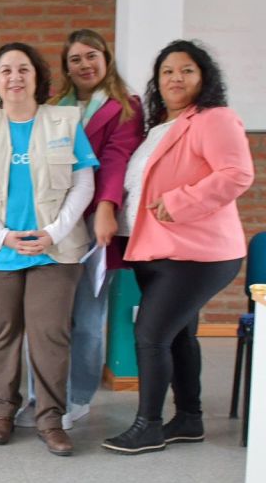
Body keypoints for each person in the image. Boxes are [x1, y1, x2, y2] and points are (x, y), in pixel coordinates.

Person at [102, 40, 253, 455]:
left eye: (187, 70)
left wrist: (178, 201)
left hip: (196, 253)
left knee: (150, 336)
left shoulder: (214, 119)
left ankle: (147, 425)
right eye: (167, 71)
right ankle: (189, 418)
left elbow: (237, 174)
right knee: (180, 336)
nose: (176, 78)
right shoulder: (160, 127)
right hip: (159, 252)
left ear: (203, 77)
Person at [0, 42, 99, 456]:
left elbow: (83, 183)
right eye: (5, 71)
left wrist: (54, 231)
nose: (15, 77)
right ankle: (2, 412)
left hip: (54, 251)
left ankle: (51, 418)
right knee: (2, 334)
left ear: (38, 77)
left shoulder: (65, 122)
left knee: (50, 334)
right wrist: (0, 234)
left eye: (23, 70)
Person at [17, 29, 144, 430]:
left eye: (92, 56)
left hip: (94, 220)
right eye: (75, 59)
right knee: (45, 318)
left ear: (106, 59)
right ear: (65, 66)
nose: (84, 65)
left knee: (87, 318)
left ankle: (77, 397)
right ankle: (40, 397)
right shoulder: (54, 106)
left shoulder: (126, 106)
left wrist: (106, 208)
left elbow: (115, 159)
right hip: (52, 221)